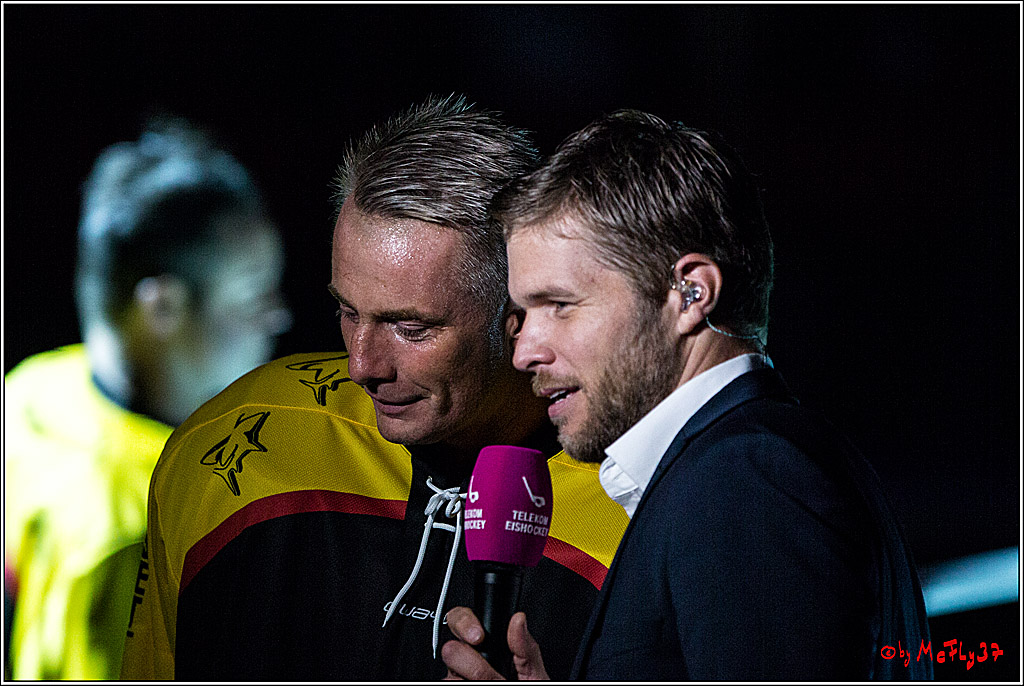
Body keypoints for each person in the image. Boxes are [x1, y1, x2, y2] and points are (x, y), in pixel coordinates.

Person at [119, 95, 628, 680]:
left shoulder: (636, 500)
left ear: (521, 313)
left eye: (410, 328)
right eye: (347, 312)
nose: (361, 364)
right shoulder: (229, 445)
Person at [441, 109, 932, 680]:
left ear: (691, 293)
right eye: (522, 315)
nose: (525, 351)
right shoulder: (743, 468)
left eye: (560, 305)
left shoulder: (744, 479)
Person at [3, 120, 290, 680]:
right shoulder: (135, 534)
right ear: (161, 308)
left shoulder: (35, 385)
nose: (276, 315)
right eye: (252, 294)